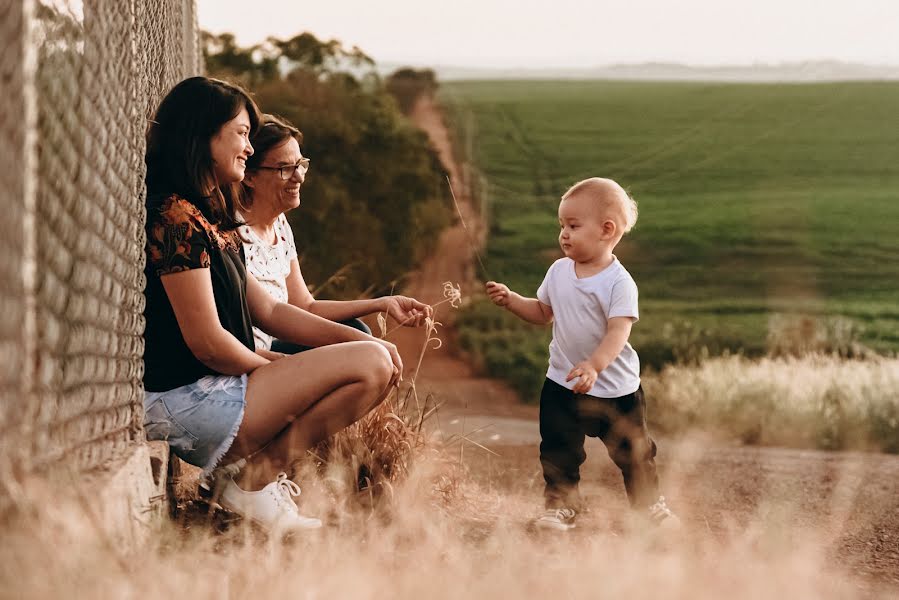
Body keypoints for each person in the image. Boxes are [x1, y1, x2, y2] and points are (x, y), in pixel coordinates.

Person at [143, 76, 424, 533]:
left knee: (373, 357)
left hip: (216, 391)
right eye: (240, 133)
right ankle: (252, 481)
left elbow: (272, 311)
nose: (249, 147)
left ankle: (246, 482)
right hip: (188, 401)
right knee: (369, 363)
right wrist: (272, 364)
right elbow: (208, 343)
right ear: (202, 135)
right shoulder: (174, 218)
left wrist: (354, 340)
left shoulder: (208, 217)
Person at [485, 177, 679, 531]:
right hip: (562, 381)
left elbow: (618, 332)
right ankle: (562, 506)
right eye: (561, 225)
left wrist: (594, 365)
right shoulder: (558, 271)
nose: (563, 234)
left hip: (615, 389)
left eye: (573, 226)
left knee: (633, 453)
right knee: (558, 449)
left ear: (606, 230)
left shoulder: (619, 283)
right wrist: (511, 300)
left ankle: (648, 508)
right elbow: (542, 313)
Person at [237, 114, 430, 355]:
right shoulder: (230, 236)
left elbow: (306, 306)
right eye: (285, 169)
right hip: (251, 357)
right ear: (250, 176)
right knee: (361, 351)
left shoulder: (280, 226)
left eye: (301, 165)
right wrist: (284, 362)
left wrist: (382, 303)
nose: (298, 177)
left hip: (274, 345)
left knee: (357, 332)